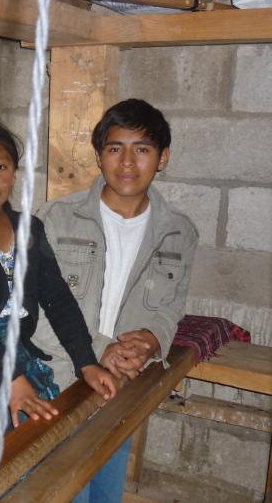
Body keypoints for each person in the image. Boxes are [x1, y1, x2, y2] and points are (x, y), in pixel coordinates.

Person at [0, 119, 117, 475]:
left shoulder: (29, 229)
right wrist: (12, 379)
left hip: (18, 352)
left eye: (0, 166)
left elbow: (58, 299)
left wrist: (87, 361)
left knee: (48, 438)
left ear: (13, 172)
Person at [34, 99, 199, 502]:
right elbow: (37, 312)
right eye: (114, 148)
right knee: (62, 491)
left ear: (163, 158)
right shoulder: (55, 219)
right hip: (61, 382)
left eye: (142, 149)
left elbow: (170, 307)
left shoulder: (179, 232)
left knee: (105, 494)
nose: (127, 161)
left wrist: (153, 338)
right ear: (99, 156)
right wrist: (102, 348)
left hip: (123, 387)